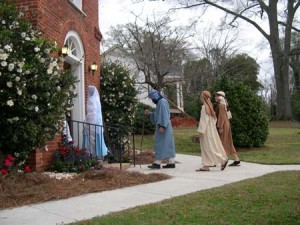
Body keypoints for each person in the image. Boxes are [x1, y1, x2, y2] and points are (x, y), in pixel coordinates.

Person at [196, 90, 228, 171]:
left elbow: (204, 120)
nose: (200, 97)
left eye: (201, 96)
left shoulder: (204, 107)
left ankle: (223, 160)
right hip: (210, 130)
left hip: (206, 131)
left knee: (209, 148)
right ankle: (206, 165)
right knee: (208, 147)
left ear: (203, 97)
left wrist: (201, 131)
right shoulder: (209, 107)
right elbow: (214, 119)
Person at [144, 89, 176, 169]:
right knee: (167, 144)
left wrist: (162, 126)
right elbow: (158, 114)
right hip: (165, 126)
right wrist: (150, 114)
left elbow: (164, 115)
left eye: (152, 98)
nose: (152, 100)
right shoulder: (161, 102)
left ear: (154, 97)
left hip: (163, 126)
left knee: (160, 144)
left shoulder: (162, 102)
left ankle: (157, 163)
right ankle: (171, 162)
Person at [215, 91, 241, 166]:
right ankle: (236, 159)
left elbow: (221, 117)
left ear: (219, 97)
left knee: (223, 142)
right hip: (226, 124)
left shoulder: (221, 105)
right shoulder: (224, 104)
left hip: (223, 125)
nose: (215, 97)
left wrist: (220, 127)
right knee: (228, 141)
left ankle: (222, 160)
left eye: (216, 96)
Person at [82, 85, 108, 159]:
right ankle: (98, 154)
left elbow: (92, 113)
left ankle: (94, 155)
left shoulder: (92, 100)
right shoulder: (96, 99)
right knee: (96, 141)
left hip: (93, 125)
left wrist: (87, 123)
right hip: (97, 124)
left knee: (92, 141)